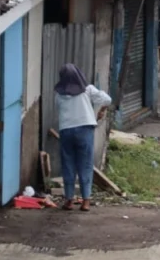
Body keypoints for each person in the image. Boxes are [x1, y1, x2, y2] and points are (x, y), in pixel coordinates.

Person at [55, 64, 112, 211]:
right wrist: (101, 111)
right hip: (85, 129)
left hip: (66, 130)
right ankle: (86, 201)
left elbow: (59, 108)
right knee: (85, 164)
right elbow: (107, 99)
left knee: (68, 164)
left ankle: (69, 200)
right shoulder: (88, 90)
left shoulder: (59, 94)